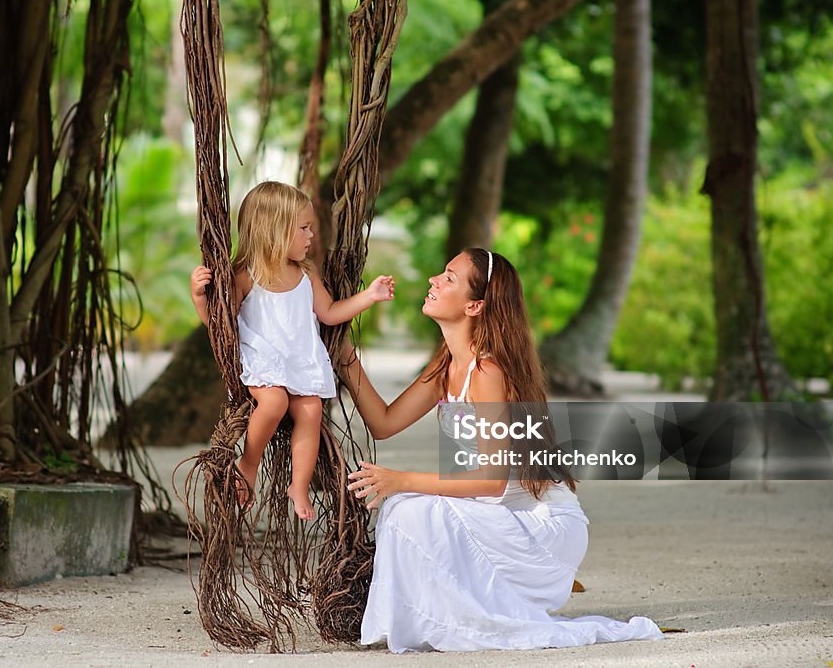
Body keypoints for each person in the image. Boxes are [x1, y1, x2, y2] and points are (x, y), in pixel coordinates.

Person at [342, 248, 663, 652]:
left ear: (475, 305)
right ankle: (449, 618)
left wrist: (401, 479)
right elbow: (384, 423)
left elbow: (492, 481)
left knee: (409, 505)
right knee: (405, 506)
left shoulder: (487, 372)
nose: (433, 281)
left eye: (449, 278)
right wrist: (346, 358)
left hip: (543, 528)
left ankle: (463, 621)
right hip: (500, 517)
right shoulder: (447, 364)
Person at [191, 181, 394, 520]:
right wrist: (200, 298)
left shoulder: (305, 274)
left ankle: (298, 484)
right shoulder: (244, 276)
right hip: (261, 359)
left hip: (297, 360)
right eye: (303, 228)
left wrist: (368, 297)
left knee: (312, 410)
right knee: (275, 401)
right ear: (274, 230)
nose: (311, 236)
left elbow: (329, 312)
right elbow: (219, 328)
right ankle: (249, 464)